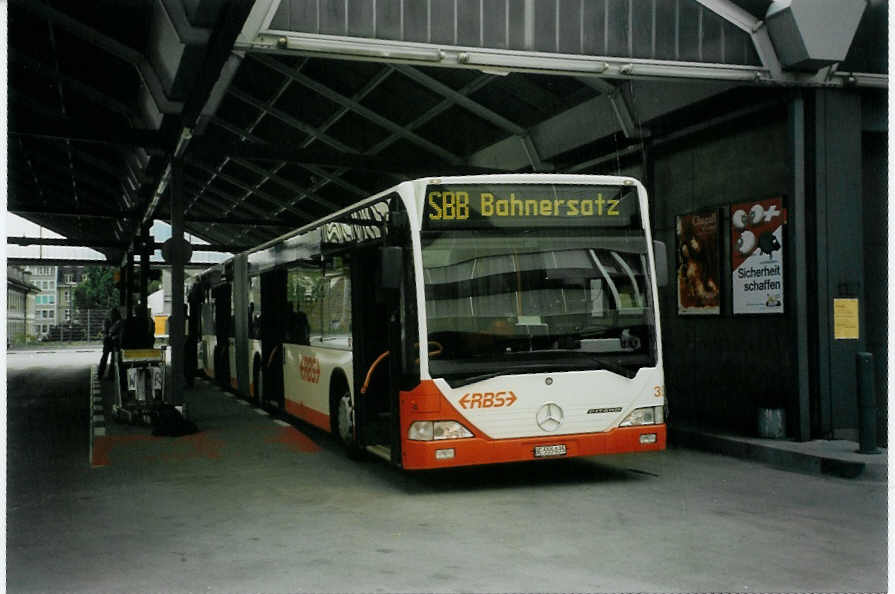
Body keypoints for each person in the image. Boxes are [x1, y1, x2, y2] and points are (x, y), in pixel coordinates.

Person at [98, 307, 121, 379]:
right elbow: (106, 331)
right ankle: (110, 375)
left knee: (105, 357)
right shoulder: (118, 321)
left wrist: (107, 335)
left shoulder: (108, 321)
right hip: (113, 341)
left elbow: (105, 331)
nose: (112, 315)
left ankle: (101, 374)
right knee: (112, 359)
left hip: (109, 341)